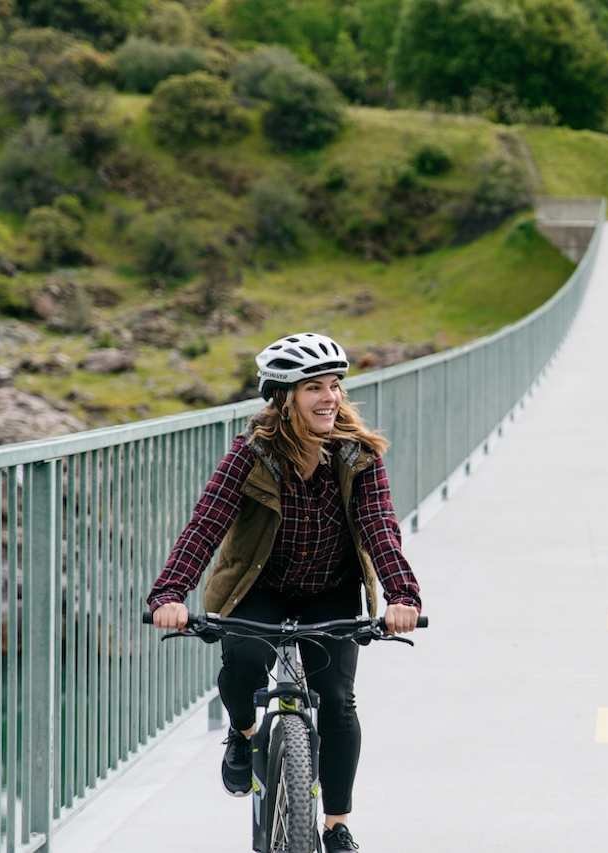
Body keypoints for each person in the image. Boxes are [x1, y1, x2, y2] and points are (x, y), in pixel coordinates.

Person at [148, 332, 421, 853]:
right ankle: (244, 733)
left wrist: (401, 596)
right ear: (284, 396)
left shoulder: (358, 456)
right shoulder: (250, 454)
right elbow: (205, 525)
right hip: (259, 588)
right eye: (313, 387)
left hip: (331, 591)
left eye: (336, 385)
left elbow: (379, 528)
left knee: (338, 703)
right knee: (246, 662)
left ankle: (336, 824)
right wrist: (170, 594)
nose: (330, 397)